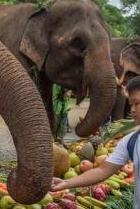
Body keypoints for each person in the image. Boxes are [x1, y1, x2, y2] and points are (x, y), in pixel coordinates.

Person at [51, 75, 140, 208]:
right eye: (131, 104)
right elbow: (102, 171)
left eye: (137, 103)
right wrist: (66, 183)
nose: (132, 110)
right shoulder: (130, 142)